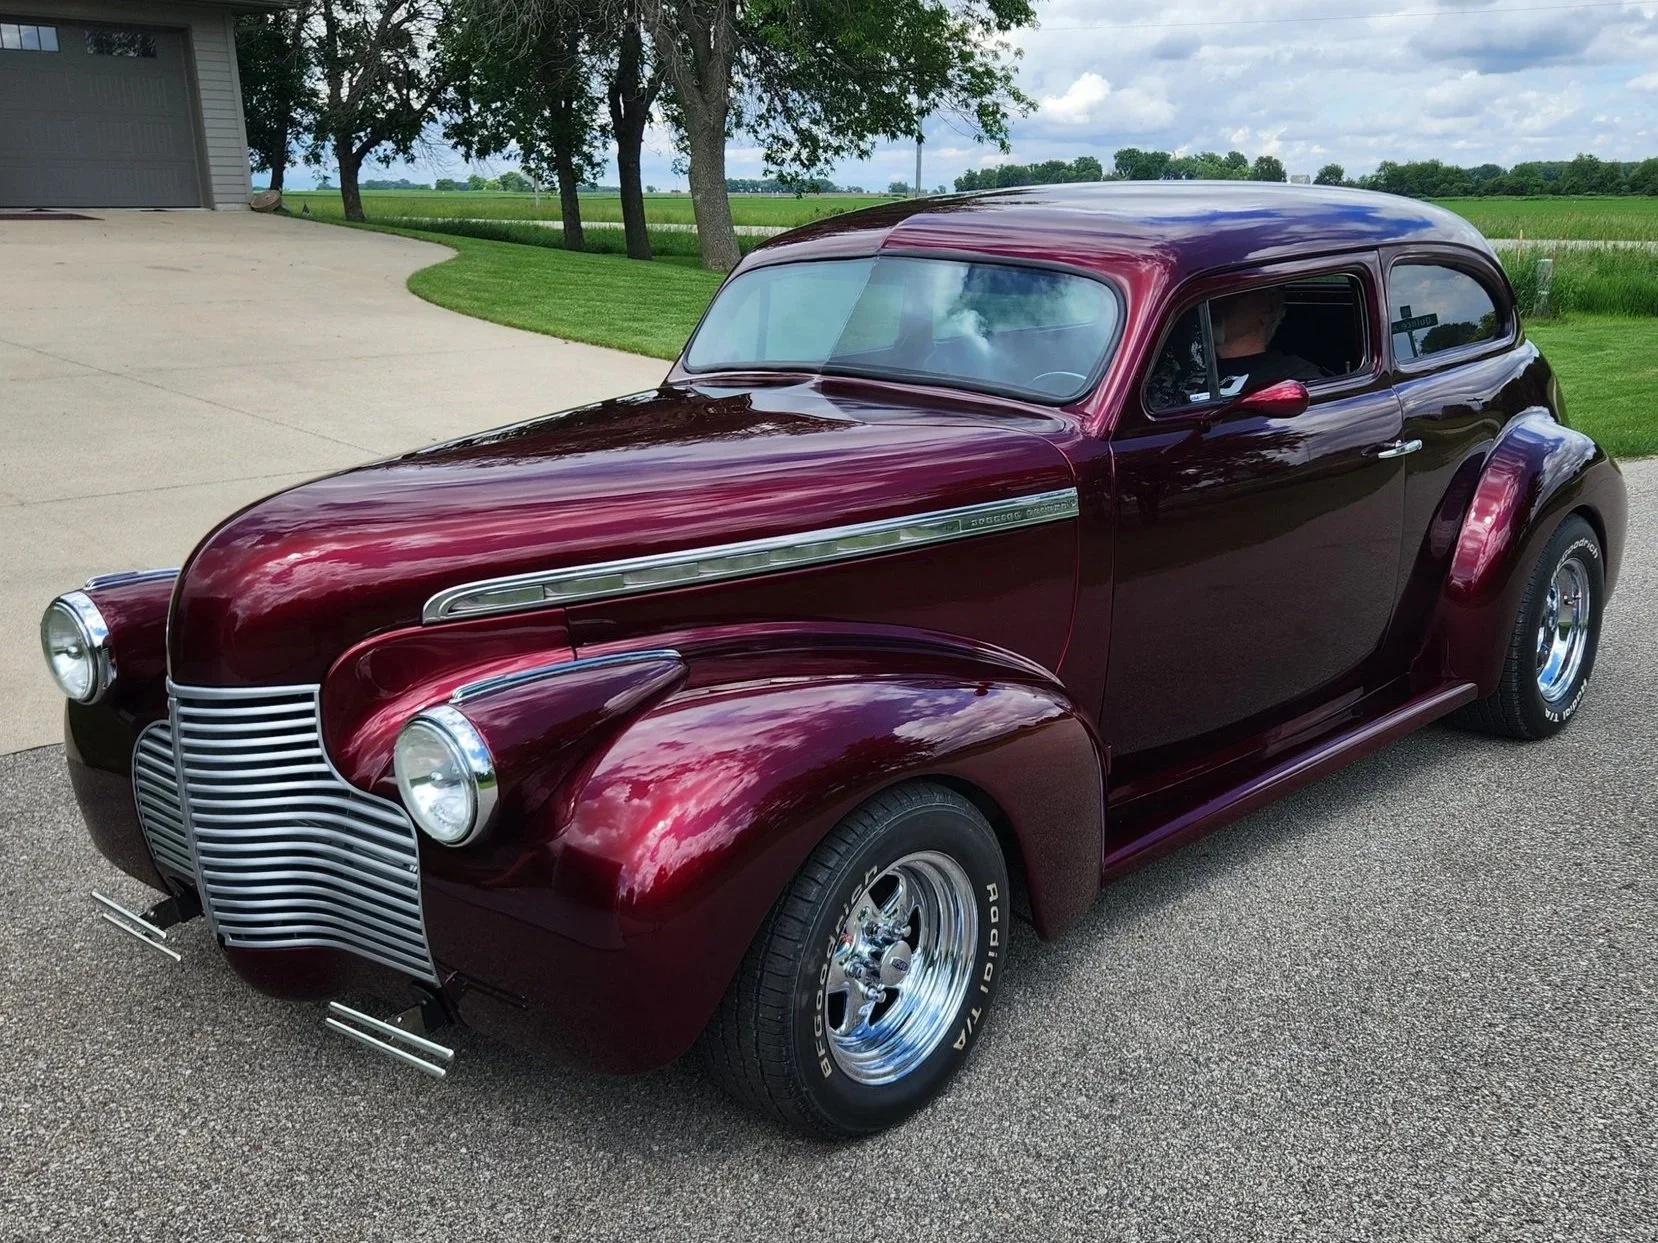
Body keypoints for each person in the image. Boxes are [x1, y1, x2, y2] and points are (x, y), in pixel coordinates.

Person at [1211, 286, 1326, 393]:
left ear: (1267, 310)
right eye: (1215, 295)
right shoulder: (1203, 368)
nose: (1215, 304)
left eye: (1231, 295)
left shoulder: (1295, 378)